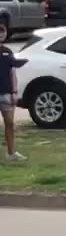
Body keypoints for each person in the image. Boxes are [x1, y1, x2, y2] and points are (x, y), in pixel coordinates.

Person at [0, 22, 26, 161]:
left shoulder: (7, 51)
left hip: (6, 92)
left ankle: (11, 153)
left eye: (3, 31)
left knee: (9, 123)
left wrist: (14, 91)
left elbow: (12, 72)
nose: (1, 34)